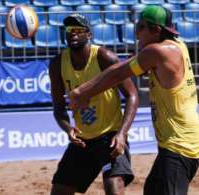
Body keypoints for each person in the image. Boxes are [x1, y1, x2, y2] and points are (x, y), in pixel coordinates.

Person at [69, 6, 199, 195]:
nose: (136, 34)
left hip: (180, 147)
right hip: (176, 145)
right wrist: (83, 91)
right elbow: (122, 67)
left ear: (156, 30)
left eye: (140, 27)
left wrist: (82, 93)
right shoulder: (175, 46)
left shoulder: (159, 52)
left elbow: (118, 74)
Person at [49, 14, 139, 195]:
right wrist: (68, 129)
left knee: (113, 185)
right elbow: (59, 108)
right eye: (68, 30)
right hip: (83, 139)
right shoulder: (57, 64)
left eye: (77, 30)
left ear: (88, 34)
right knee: (60, 189)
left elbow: (132, 95)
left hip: (110, 135)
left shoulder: (104, 57)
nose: (72, 34)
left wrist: (122, 134)